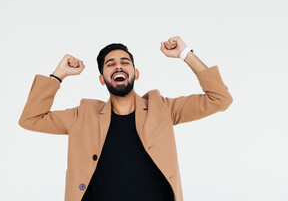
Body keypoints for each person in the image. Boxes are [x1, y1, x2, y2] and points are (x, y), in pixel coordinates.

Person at [18, 36, 233, 201]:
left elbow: (220, 99)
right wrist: (58, 75)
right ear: (102, 79)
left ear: (135, 73)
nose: (118, 66)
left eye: (124, 62)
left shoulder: (163, 108)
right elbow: (31, 118)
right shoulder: (82, 115)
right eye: (110, 64)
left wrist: (186, 54)